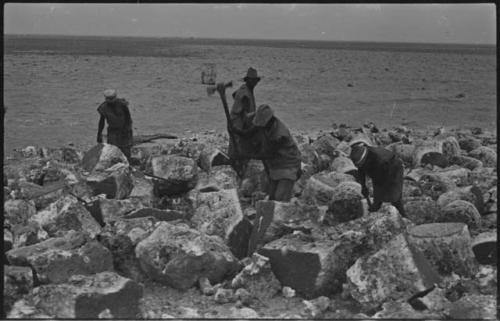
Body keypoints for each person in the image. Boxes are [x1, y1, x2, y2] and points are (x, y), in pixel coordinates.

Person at [234, 104, 301, 202]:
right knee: (272, 197)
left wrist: (245, 155)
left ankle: (284, 214)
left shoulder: (280, 135)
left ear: (268, 121)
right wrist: (237, 131)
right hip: (274, 165)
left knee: (280, 199)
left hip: (288, 165)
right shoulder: (265, 124)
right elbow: (251, 131)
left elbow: (268, 154)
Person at [349, 141, 407, 217]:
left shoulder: (379, 160)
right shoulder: (360, 156)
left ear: (364, 159)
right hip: (379, 169)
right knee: (378, 192)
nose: (359, 165)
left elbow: (379, 181)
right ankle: (376, 206)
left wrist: (379, 196)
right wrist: (363, 186)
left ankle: (403, 215)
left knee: (394, 197)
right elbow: (361, 170)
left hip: (394, 168)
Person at [226, 67, 262, 175]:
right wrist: (257, 113)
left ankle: (235, 167)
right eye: (252, 80)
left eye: (255, 81)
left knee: (237, 145)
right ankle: (236, 169)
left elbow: (234, 94)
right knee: (238, 147)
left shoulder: (244, 88)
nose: (254, 83)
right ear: (248, 80)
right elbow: (246, 116)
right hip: (237, 124)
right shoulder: (245, 94)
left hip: (235, 122)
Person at [96, 89, 133, 160]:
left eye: (112, 98)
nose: (110, 101)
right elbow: (102, 122)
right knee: (112, 150)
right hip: (113, 131)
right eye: (108, 99)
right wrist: (99, 134)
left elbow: (128, 118)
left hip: (125, 129)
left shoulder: (122, 104)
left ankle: (128, 164)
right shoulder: (103, 108)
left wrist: (127, 129)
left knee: (126, 149)